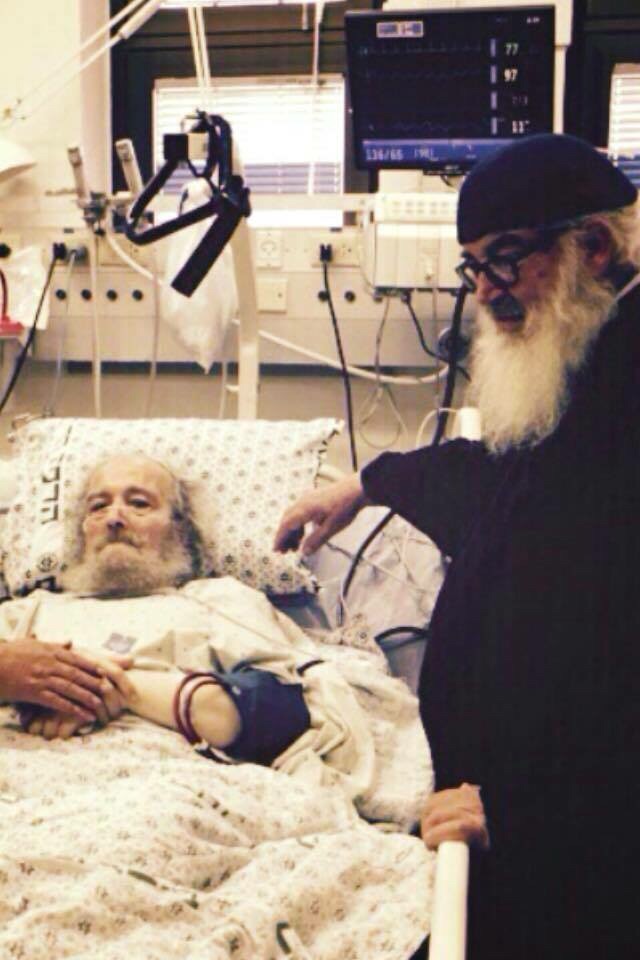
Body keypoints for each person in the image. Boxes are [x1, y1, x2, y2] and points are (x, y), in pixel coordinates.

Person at [274, 133, 640, 959]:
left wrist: (520, 808)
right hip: (521, 827)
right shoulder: (588, 356)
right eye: (472, 267)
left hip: (590, 845)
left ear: (594, 245)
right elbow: (505, 478)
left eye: (505, 260)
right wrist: (364, 484)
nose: (485, 292)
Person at [2, 452, 393, 814]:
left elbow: (285, 713)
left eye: (139, 504)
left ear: (181, 530)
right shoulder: (29, 611)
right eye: (97, 506)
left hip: (160, 791)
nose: (114, 518)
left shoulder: (219, 602)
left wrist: (110, 687)